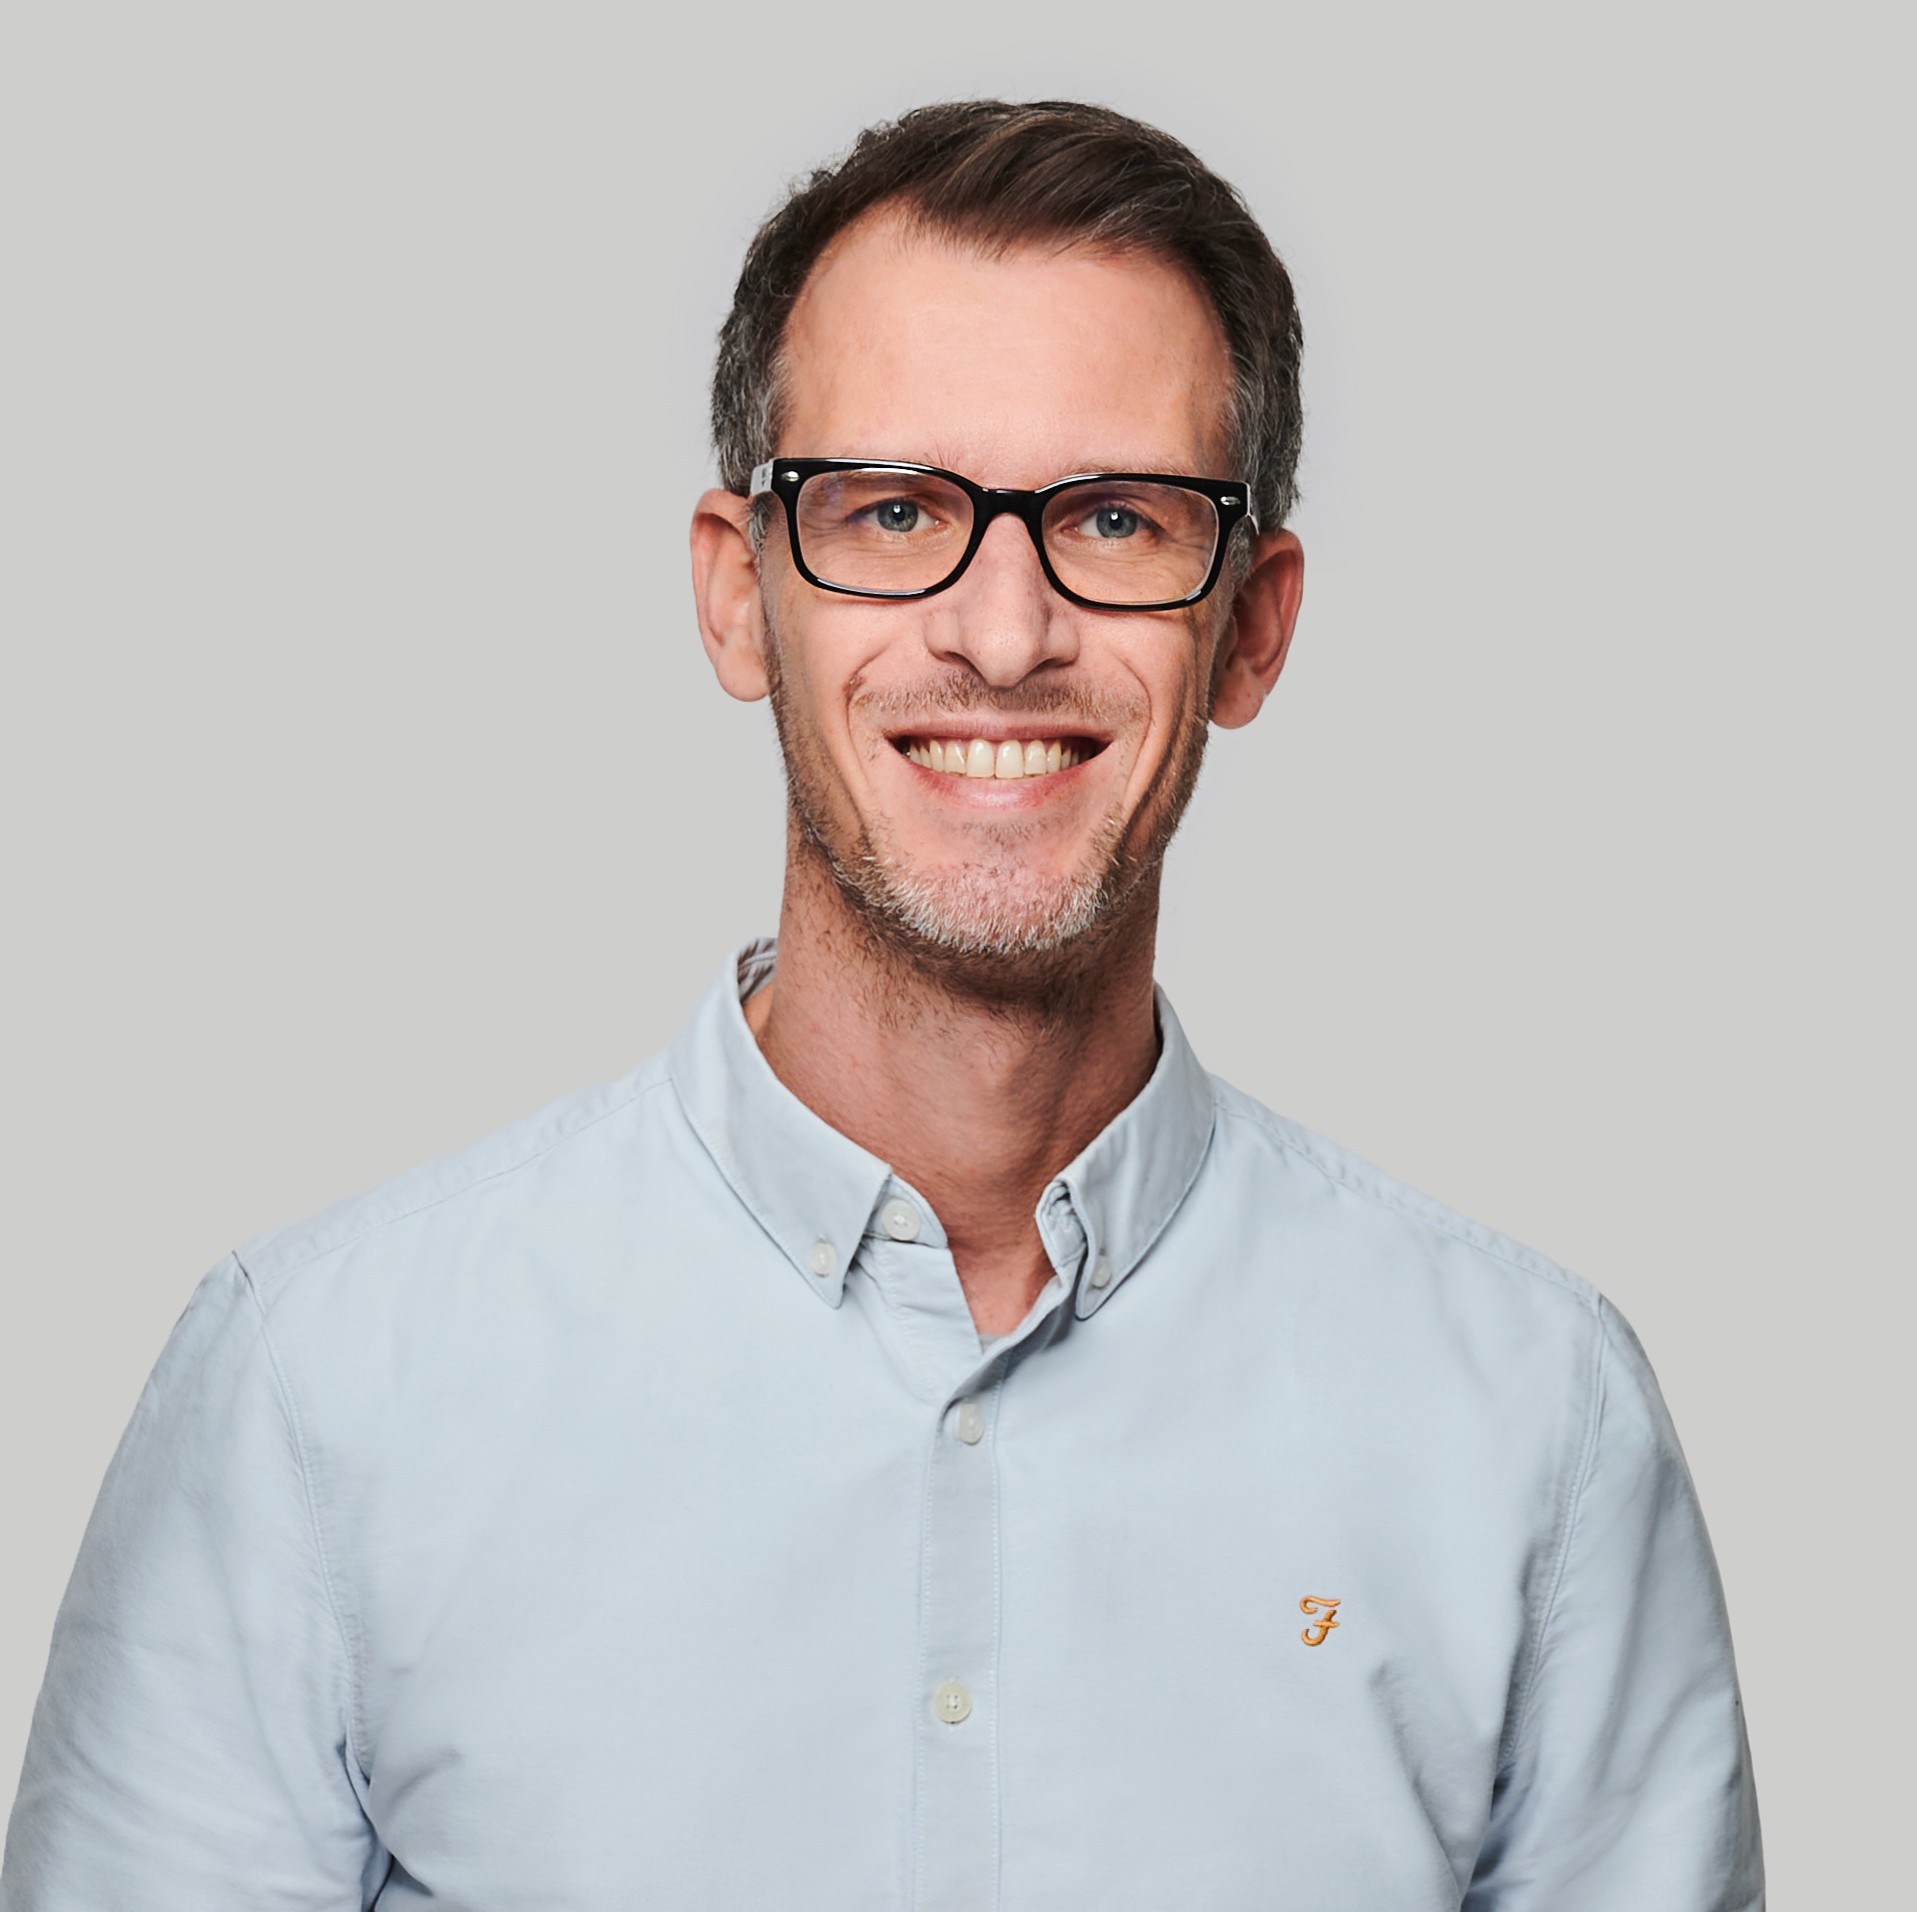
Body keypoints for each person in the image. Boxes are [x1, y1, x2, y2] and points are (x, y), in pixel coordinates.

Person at [0, 99, 1762, 1909]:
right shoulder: (319, 1393)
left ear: (1250, 625)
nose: (1001, 633)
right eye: (894, 511)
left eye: (1118, 519)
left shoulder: (1530, 1426)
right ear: (735, 597)